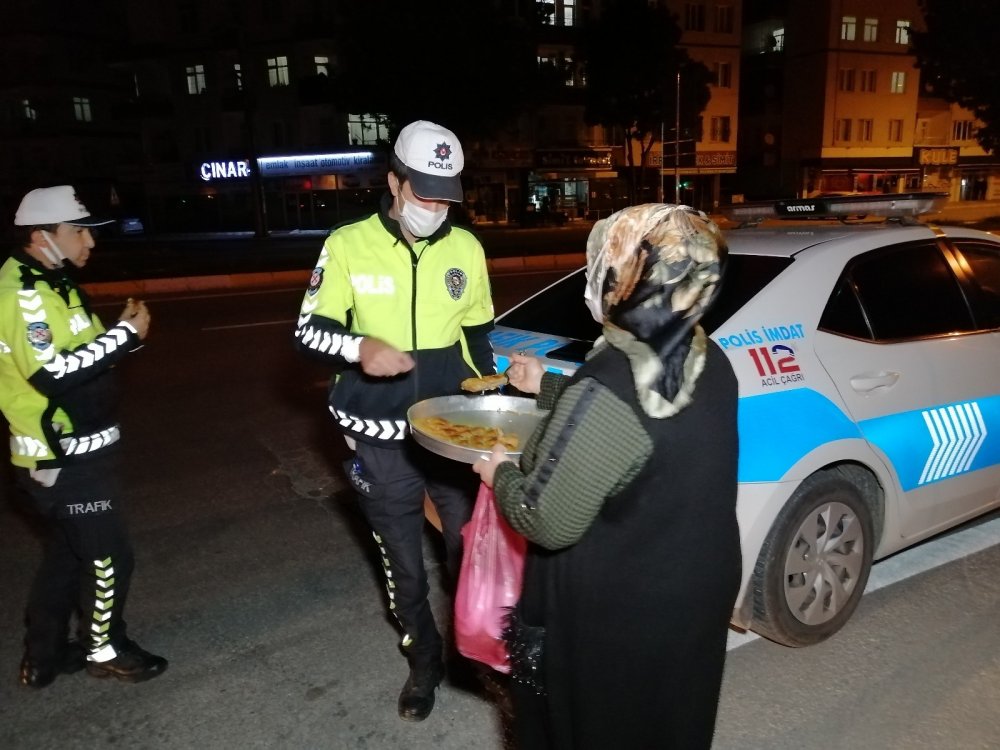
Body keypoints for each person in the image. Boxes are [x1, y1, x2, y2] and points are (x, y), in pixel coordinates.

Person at [473, 203, 741, 748]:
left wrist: (498, 473)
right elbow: (648, 433)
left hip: (624, 614)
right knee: (670, 721)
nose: (594, 274)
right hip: (695, 589)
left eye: (603, 262)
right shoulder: (708, 355)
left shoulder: (609, 384)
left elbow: (545, 518)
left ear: (628, 279)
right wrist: (547, 386)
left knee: (601, 727)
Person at [293, 121, 496, 721]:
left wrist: (490, 392)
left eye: (445, 197)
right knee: (403, 565)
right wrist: (360, 349)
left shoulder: (467, 249)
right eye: (423, 192)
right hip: (378, 439)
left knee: (470, 553)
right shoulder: (347, 243)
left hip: (450, 433)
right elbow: (307, 332)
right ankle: (423, 663)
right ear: (394, 182)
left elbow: (477, 334)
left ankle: (473, 656)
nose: (434, 207)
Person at [0, 186, 167, 687]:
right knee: (108, 555)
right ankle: (105, 649)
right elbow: (50, 374)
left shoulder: (57, 284)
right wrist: (123, 337)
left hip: (79, 451)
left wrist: (123, 341)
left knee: (66, 559)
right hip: (65, 459)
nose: (89, 242)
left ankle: (44, 655)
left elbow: (86, 353)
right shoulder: (24, 296)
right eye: (79, 231)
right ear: (41, 236)